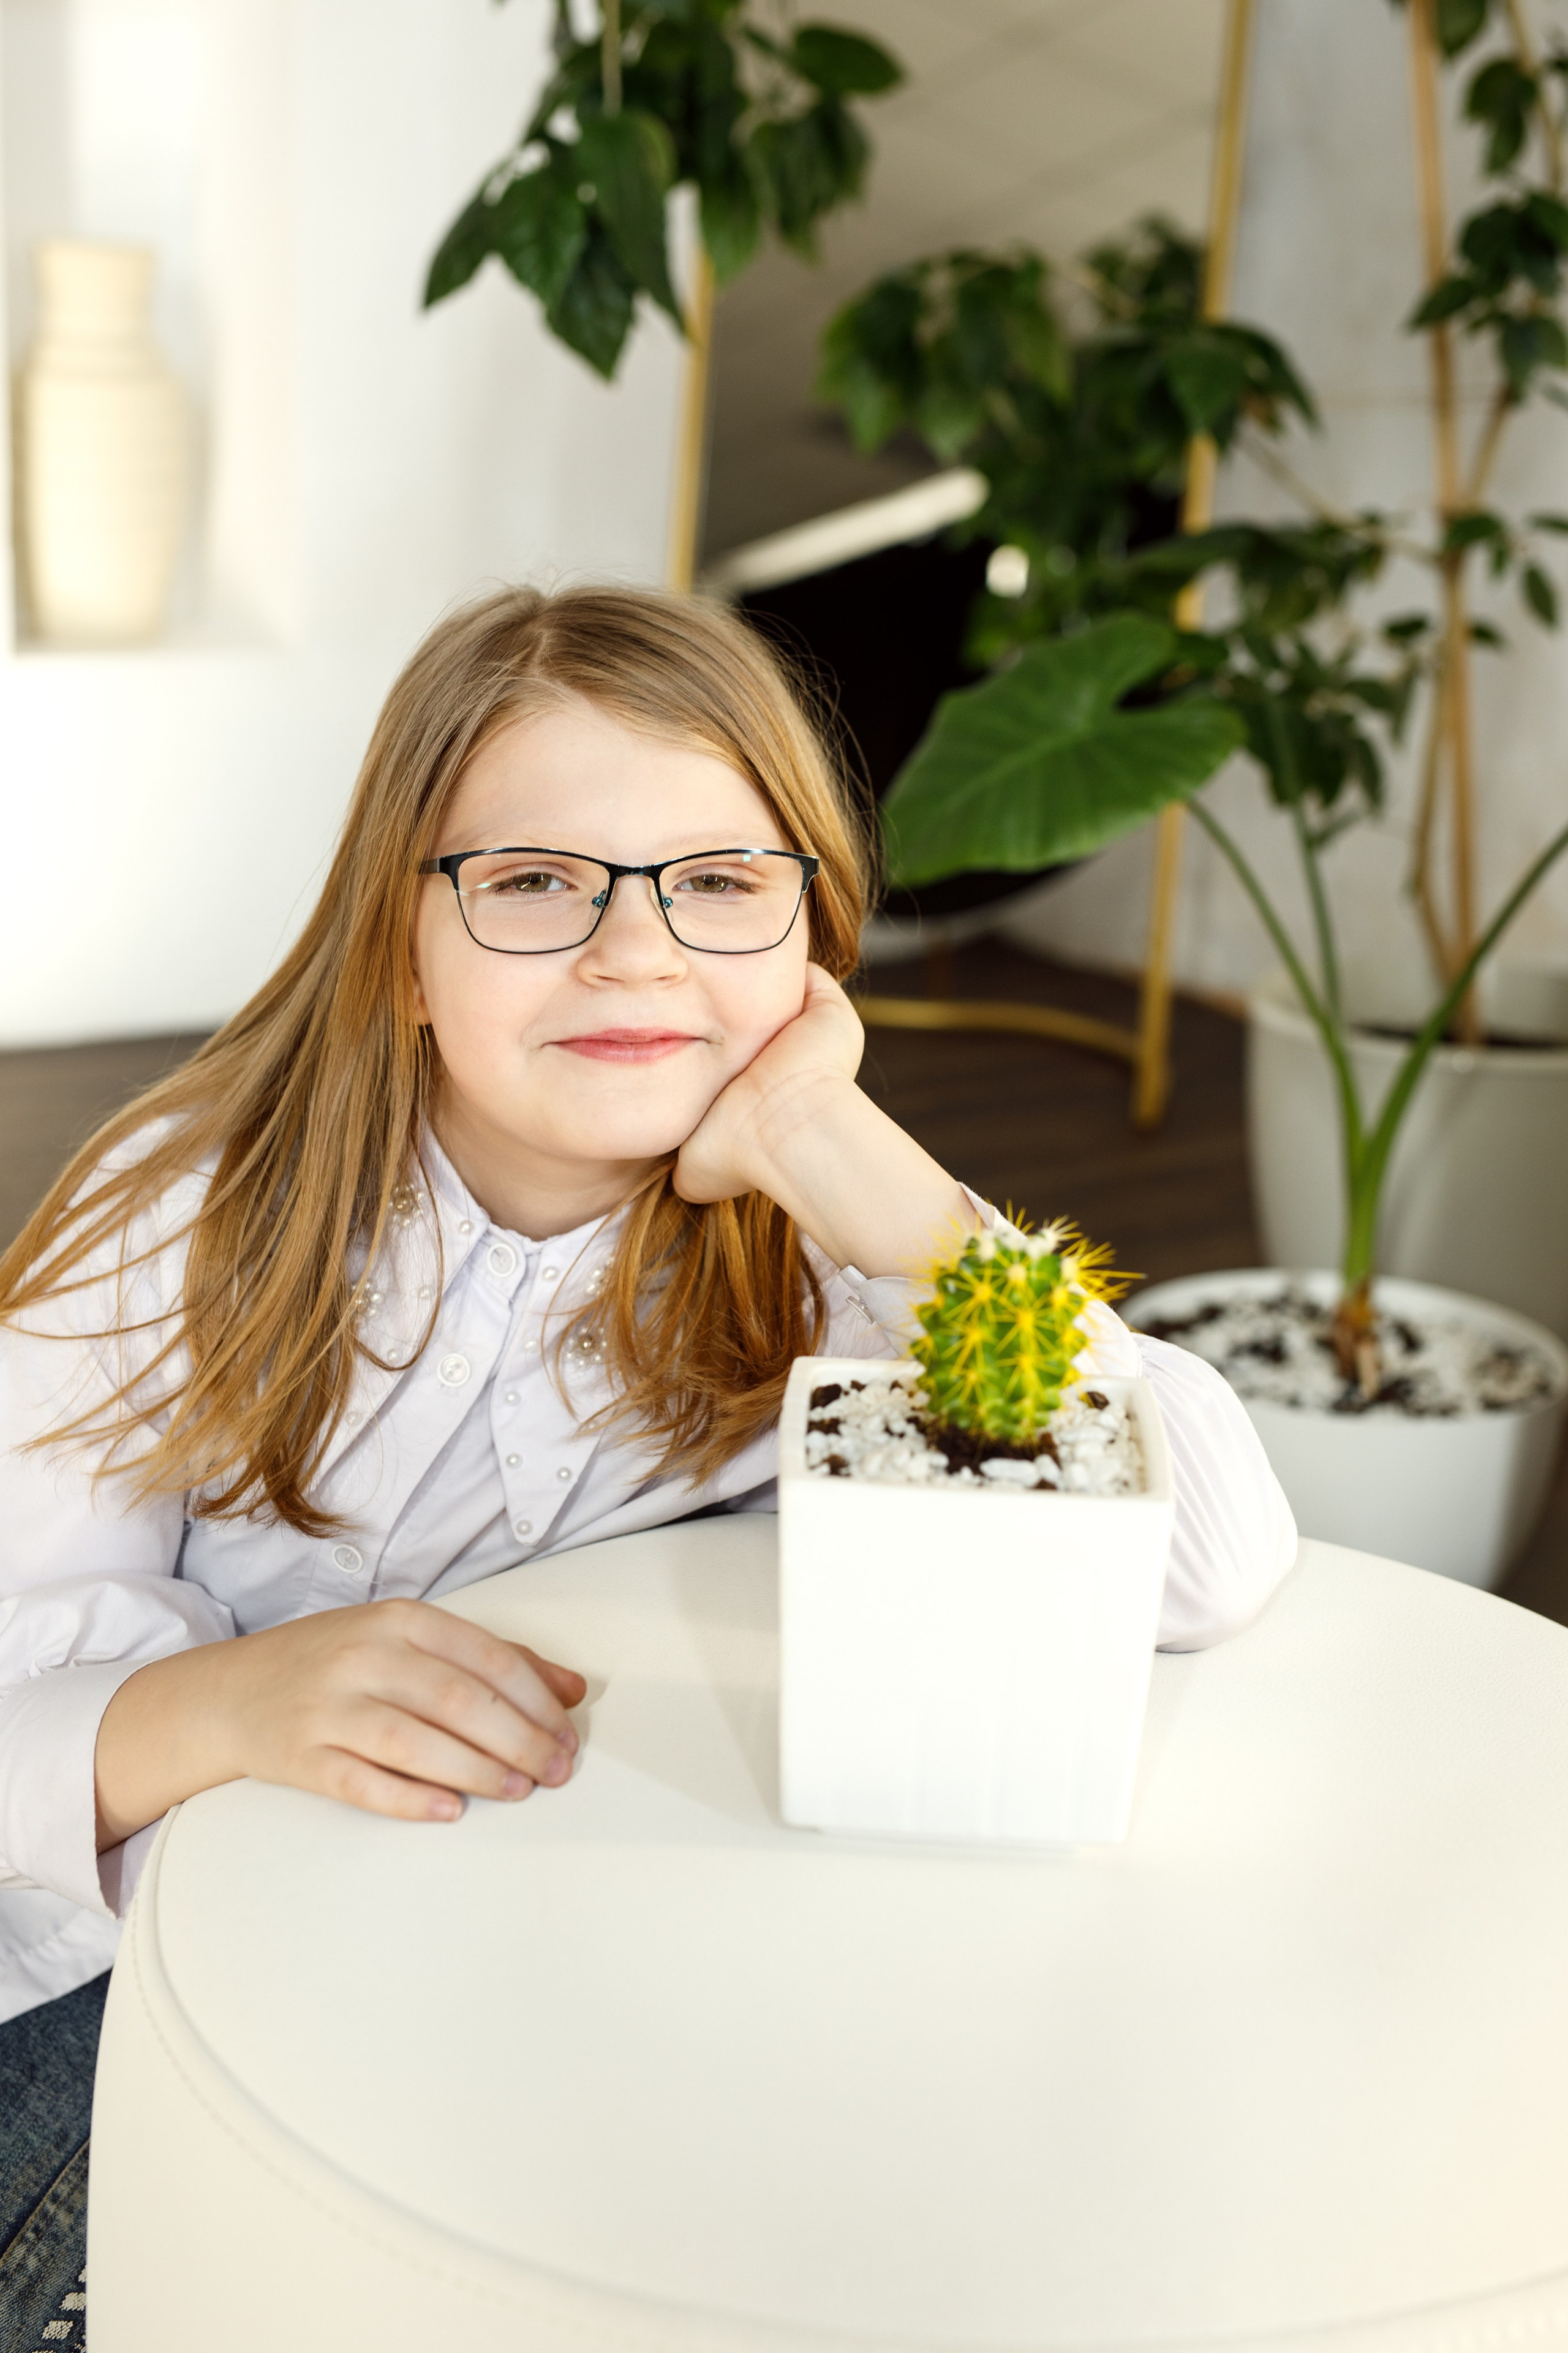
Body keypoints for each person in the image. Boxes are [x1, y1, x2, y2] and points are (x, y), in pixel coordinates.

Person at [0, 585, 1295, 2333]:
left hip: (561, 2005)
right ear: (400, 945)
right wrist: (222, 1708)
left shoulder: (834, 1251)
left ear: (812, 944)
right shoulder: (180, 1222)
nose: (638, 953)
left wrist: (844, 1148)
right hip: (131, 2015)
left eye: (720, 884)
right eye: (536, 883)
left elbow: (1205, 1557)